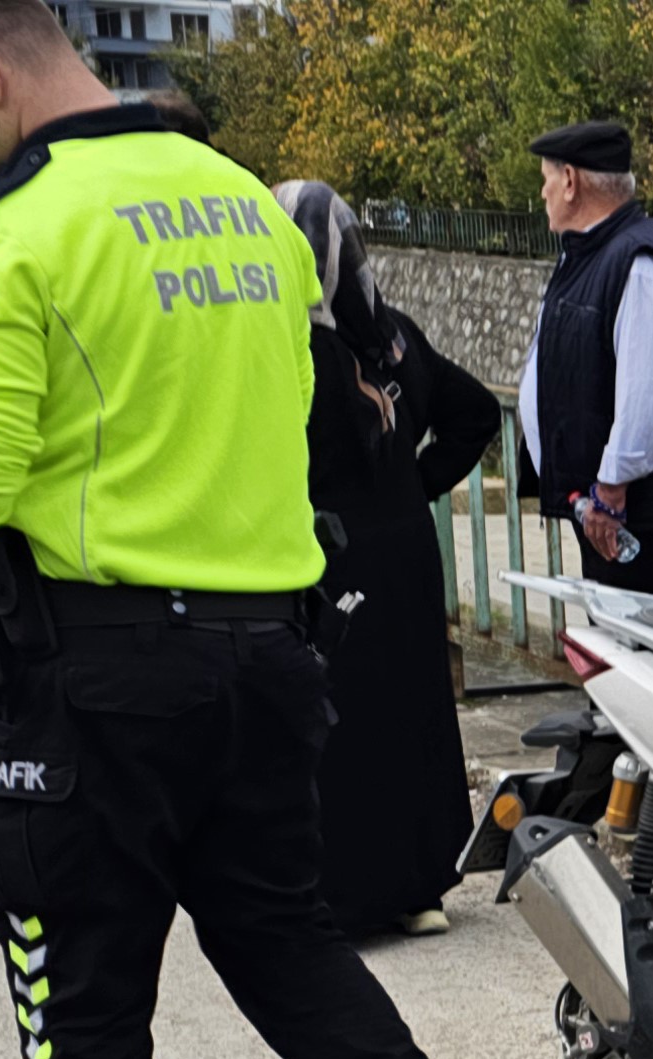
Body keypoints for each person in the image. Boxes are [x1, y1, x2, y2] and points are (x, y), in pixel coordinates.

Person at [0, 0, 533, 1059]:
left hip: (93, 671)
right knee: (281, 934)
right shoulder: (239, 203)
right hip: (265, 655)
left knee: (73, 961)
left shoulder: (8, 231)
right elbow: (300, 418)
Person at [274, 178, 498, 939]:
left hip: (323, 555)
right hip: (403, 551)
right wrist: (415, 484)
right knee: (414, 709)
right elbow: (475, 413)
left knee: (337, 720)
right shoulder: (392, 334)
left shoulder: (284, 349)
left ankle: (342, 895)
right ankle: (420, 888)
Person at [515, 119, 653, 610]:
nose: (542, 193)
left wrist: (610, 492)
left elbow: (644, 396)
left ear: (570, 181)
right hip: (606, 515)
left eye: (546, 179)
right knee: (620, 669)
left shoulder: (637, 264)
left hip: (638, 520)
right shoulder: (589, 256)